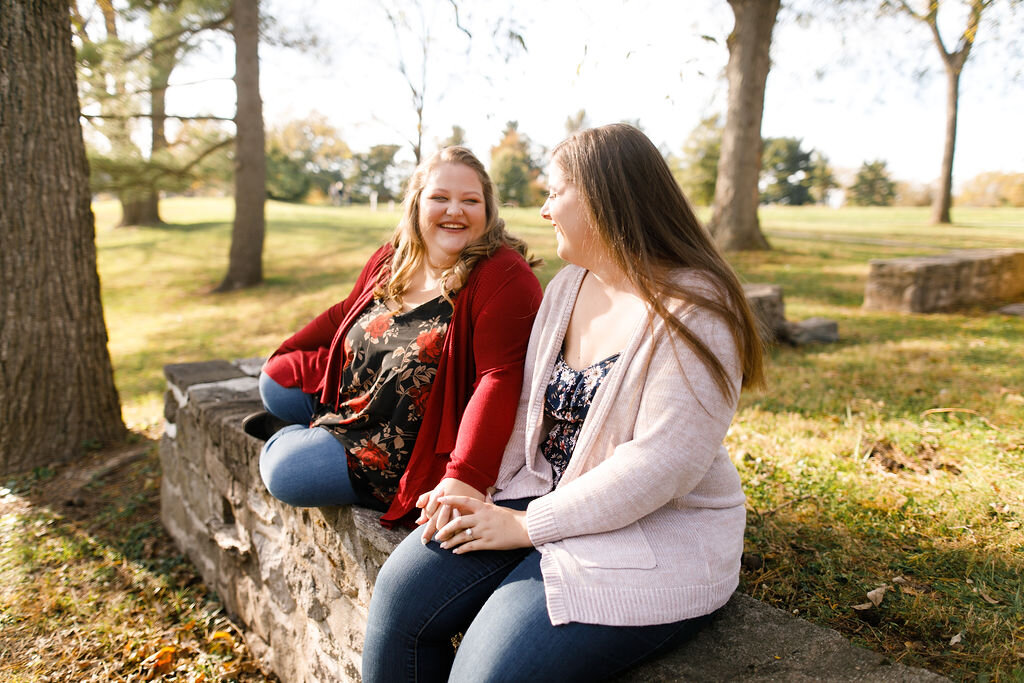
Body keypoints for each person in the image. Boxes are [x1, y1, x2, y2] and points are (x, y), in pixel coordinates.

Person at [361, 123, 766, 681]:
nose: (545, 210)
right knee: (400, 598)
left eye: (555, 192)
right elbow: (527, 409)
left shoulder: (695, 309)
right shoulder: (567, 288)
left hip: (646, 530)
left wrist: (528, 528)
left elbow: (664, 464)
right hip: (537, 498)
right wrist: (472, 488)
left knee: (485, 673)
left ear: (602, 199)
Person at [247, 146, 543, 528]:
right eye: (440, 198)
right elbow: (345, 312)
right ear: (417, 204)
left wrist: (465, 476)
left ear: (487, 211)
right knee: (274, 382)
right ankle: (313, 432)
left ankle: (293, 437)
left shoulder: (503, 276)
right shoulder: (395, 257)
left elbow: (498, 378)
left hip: (403, 443)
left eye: (470, 200)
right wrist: (288, 349)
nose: (455, 210)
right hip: (361, 398)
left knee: (286, 473)